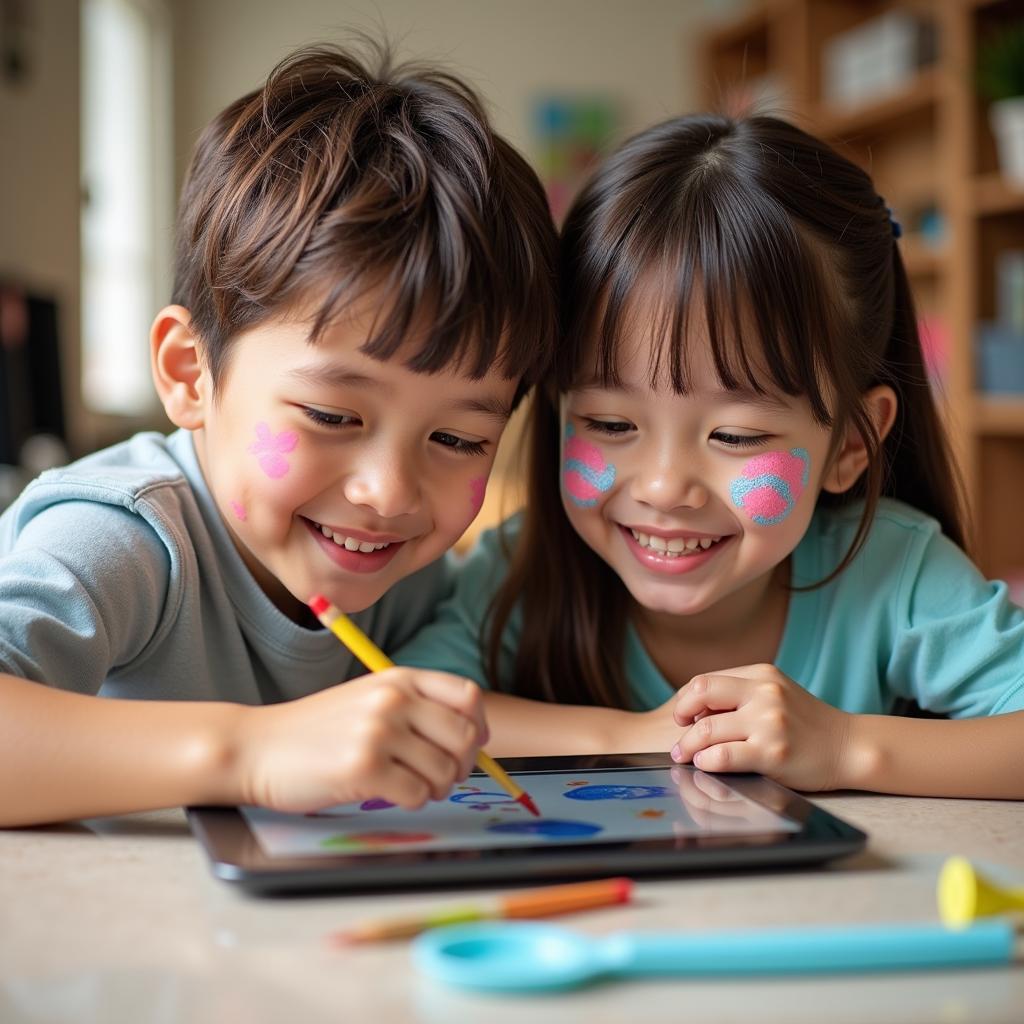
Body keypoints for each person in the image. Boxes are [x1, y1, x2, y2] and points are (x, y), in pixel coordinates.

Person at [0, 43, 557, 826]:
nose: (390, 493)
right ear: (191, 374)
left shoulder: (402, 578)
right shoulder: (120, 539)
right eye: (333, 417)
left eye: (460, 439)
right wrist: (254, 753)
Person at [396, 113, 1024, 799]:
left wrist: (846, 746)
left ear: (850, 443)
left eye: (735, 436)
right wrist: (638, 735)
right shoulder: (519, 572)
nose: (665, 487)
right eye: (609, 422)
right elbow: (411, 708)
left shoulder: (893, 573)